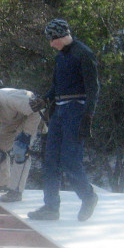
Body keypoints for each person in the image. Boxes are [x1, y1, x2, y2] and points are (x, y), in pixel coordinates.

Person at [27, 18, 99, 222]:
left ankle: (88, 196)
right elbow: (56, 86)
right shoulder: (60, 58)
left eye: (52, 40)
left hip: (77, 110)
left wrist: (88, 116)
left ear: (60, 36)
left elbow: (93, 88)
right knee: (50, 161)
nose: (51, 44)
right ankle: (51, 207)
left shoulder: (84, 53)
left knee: (70, 161)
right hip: (59, 111)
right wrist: (45, 100)